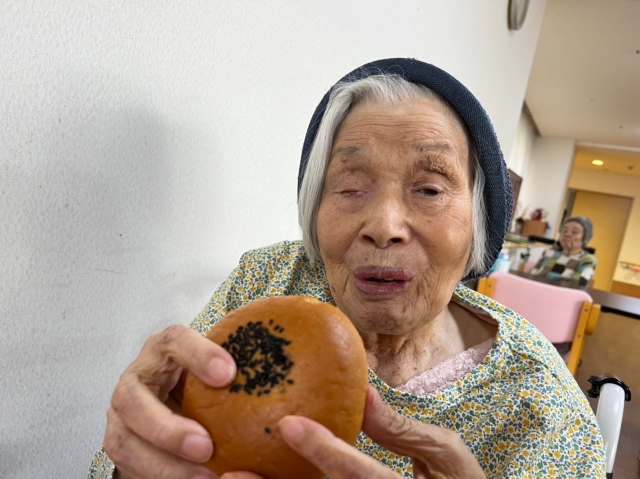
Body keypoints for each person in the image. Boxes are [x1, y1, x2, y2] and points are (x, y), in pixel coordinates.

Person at [88, 58, 604, 479]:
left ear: (480, 222)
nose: (384, 226)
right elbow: (149, 439)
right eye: (350, 186)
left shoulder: (537, 399)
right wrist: (135, 463)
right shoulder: (266, 282)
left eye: (429, 189)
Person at [530, 216, 597, 286]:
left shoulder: (587, 260)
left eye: (574, 232)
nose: (567, 234)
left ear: (585, 239)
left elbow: (576, 286)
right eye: (564, 231)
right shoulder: (550, 251)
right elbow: (533, 272)